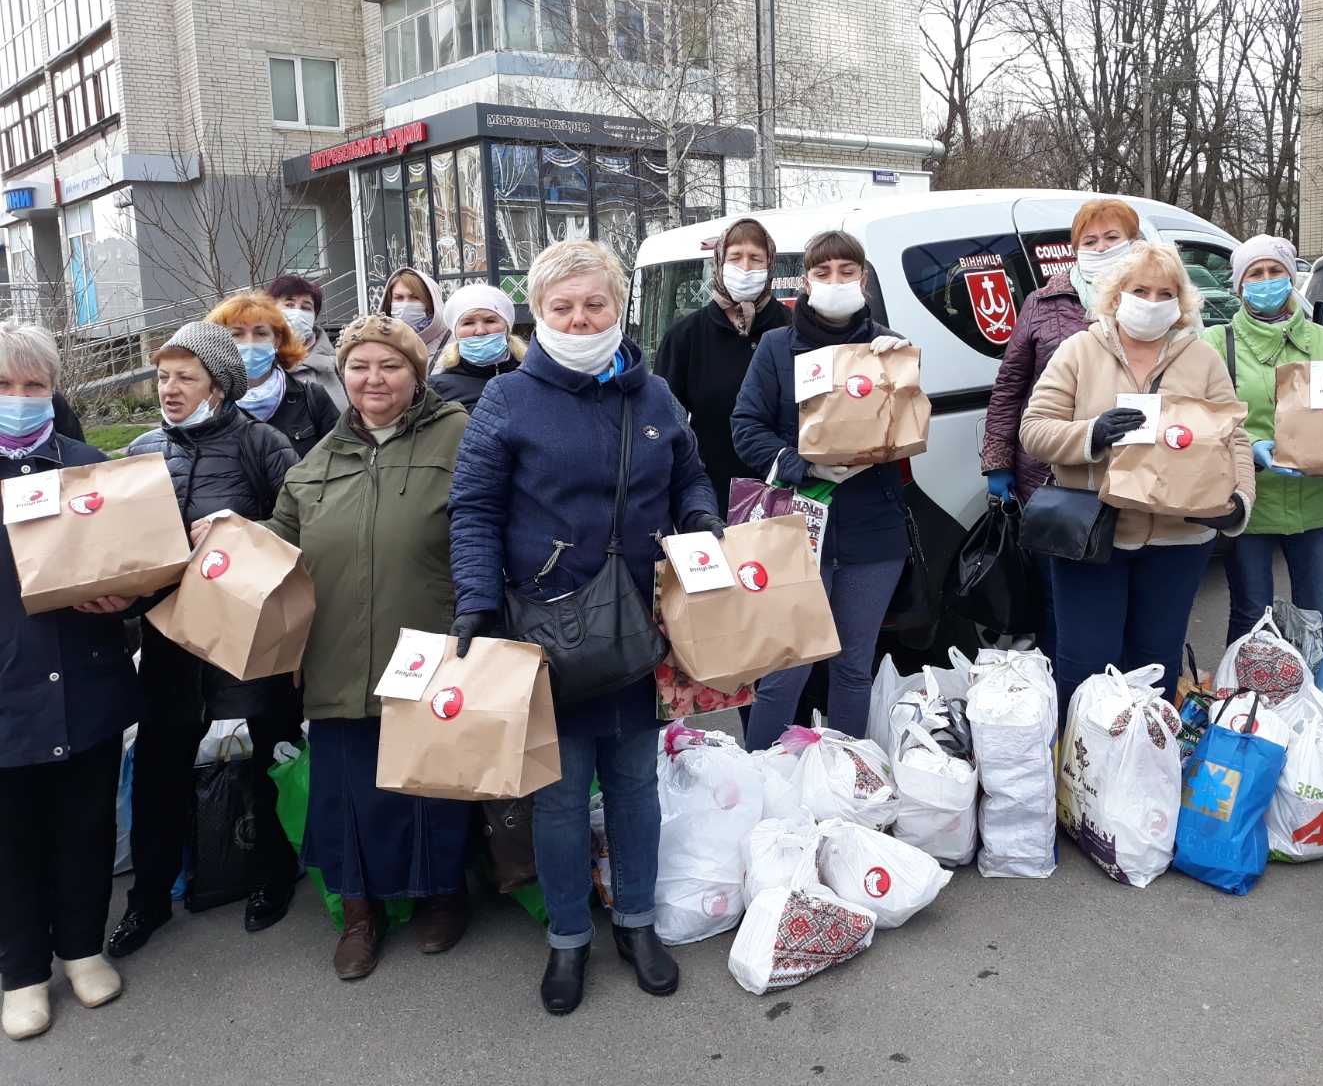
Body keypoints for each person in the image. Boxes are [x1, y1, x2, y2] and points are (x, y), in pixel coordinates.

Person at [448, 239, 719, 1016]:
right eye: (562, 306)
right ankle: (568, 937)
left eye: (594, 303)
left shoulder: (654, 395)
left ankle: (636, 923)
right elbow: (474, 509)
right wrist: (475, 600)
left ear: (618, 307)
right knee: (562, 799)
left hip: (637, 625)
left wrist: (698, 515)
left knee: (636, 785)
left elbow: (691, 472)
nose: (579, 317)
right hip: (547, 634)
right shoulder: (508, 400)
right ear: (539, 313)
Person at [262, 314, 475, 980]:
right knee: (349, 793)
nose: (373, 378)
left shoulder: (459, 437)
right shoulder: (319, 459)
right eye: (359, 365)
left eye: (390, 365)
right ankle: (362, 915)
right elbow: (276, 548)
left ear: (417, 373)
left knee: (430, 786)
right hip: (336, 658)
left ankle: (443, 898)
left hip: (429, 648)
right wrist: (223, 540)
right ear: (342, 374)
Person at [107, 324, 302, 958]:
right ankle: (149, 901)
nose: (169, 389)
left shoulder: (262, 444)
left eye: (185, 377)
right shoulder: (142, 452)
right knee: (160, 770)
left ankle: (272, 874)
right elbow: (126, 553)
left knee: (267, 759)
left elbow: (302, 531)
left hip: (249, 638)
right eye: (162, 377)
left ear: (218, 386)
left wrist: (240, 529)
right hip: (169, 642)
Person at [1019, 242, 1254, 708]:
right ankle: (1082, 770)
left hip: (1178, 540)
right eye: (1139, 289)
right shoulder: (1079, 350)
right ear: (1116, 294)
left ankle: (1147, 760)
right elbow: (1034, 430)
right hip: (1093, 536)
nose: (1151, 301)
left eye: (1164, 292)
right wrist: (1092, 434)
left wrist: (1239, 502)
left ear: (1181, 302)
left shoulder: (1202, 357)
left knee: (1155, 663)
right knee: (1087, 663)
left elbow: (1234, 439)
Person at [0, 320, 136, 1040]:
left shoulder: (88, 467)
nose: (19, 399)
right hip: (8, 689)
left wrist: (129, 598)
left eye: (33, 385)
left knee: (85, 828)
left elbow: (136, 564)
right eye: (4, 386)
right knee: (11, 840)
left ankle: (82, 947)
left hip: (85, 682)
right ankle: (21, 973)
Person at [731, 230, 912, 751]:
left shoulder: (885, 346)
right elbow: (745, 427)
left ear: (864, 278)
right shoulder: (775, 347)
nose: (835, 282)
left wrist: (902, 376)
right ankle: (766, 778)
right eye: (823, 272)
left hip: (872, 531)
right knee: (786, 667)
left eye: (847, 271)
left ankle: (845, 778)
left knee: (854, 666)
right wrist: (798, 463)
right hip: (799, 527)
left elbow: (908, 435)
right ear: (806, 282)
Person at [980, 199, 1138, 653]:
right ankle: (1065, 697)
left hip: (1135, 477)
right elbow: (1010, 385)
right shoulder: (1044, 302)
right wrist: (998, 463)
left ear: (1133, 243)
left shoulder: (1153, 299)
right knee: (1059, 601)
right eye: (1090, 241)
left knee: (1129, 596)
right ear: (1074, 248)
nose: (1101, 247)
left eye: (1112, 238)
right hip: (1052, 477)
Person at [1202, 234, 1323, 647]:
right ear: (1239, 285)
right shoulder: (1216, 344)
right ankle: (1248, 706)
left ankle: (1317, 702)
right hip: (1248, 501)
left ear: (1291, 278)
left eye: (1275, 272)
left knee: (1321, 616)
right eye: (1255, 273)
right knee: (1252, 616)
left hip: (1316, 499)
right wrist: (1251, 448)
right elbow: (1204, 418)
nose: (1266, 281)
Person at [654, 217, 791, 513]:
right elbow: (662, 422)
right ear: (719, 263)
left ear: (770, 265)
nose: (745, 268)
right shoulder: (686, 335)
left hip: (787, 493)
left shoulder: (791, 328)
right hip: (711, 496)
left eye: (755, 258)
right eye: (735, 257)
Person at [209, 292, 340, 457]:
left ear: (277, 340)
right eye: (237, 334)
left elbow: (342, 461)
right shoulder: (208, 406)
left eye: (261, 333)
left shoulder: (312, 398)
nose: (250, 342)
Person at [427, 282, 525, 412]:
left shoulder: (531, 377)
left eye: (490, 321)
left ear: (506, 328)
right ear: (456, 332)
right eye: (468, 323)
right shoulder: (437, 389)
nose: (480, 331)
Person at [266, 274, 347, 407]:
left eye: (306, 308)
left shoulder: (338, 364)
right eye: (289, 305)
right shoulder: (257, 362)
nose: (297, 312)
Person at [379, 267, 447, 357]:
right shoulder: (378, 342)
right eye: (399, 298)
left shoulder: (452, 344)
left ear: (430, 302)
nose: (406, 304)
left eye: (415, 297)